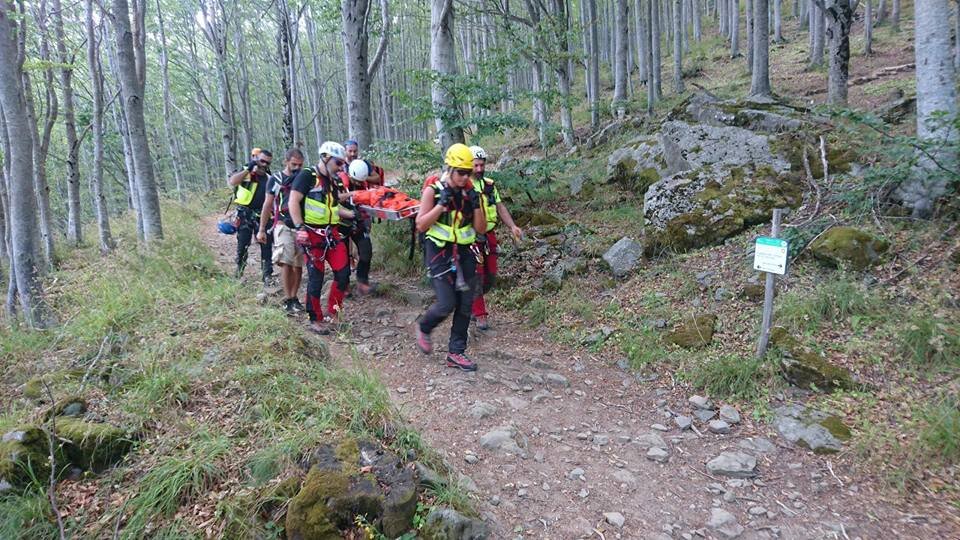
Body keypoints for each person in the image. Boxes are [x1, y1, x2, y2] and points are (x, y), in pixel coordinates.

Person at [414, 143, 487, 371]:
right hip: (439, 252)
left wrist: (476, 204)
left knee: (466, 304)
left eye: (469, 173)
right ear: (450, 169)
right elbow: (421, 225)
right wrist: (441, 206)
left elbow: (481, 229)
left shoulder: (471, 192)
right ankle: (424, 327)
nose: (465, 177)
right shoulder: (433, 191)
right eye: (461, 173)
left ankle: (456, 352)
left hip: (464, 252)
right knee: (447, 303)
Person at [287, 141, 355, 334]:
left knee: (343, 273)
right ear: (325, 158)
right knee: (316, 277)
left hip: (331, 233)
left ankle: (334, 312)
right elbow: (293, 201)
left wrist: (352, 215)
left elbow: (334, 207)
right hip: (311, 235)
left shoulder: (334, 180)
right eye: (338, 163)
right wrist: (300, 228)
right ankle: (315, 318)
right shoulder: (307, 176)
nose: (341, 167)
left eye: (342, 164)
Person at [469, 145, 523, 330]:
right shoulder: (464, 186)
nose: (479, 169)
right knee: (476, 275)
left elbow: (500, 207)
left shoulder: (490, 185)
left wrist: (512, 226)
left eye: (482, 165)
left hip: (490, 235)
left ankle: (468, 302)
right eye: (476, 165)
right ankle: (480, 314)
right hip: (471, 238)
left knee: (490, 276)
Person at [258, 148, 305, 314]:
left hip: (300, 225)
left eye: (300, 165)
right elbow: (268, 204)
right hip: (282, 223)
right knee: (285, 261)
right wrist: (262, 229)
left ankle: (295, 297)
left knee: (298, 264)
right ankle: (288, 298)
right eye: (293, 164)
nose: (297, 168)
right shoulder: (276, 179)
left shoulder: (304, 178)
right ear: (286, 161)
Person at [227, 149, 274, 283]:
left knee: (266, 245)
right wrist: (248, 169)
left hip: (263, 214)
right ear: (256, 159)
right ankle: (239, 271)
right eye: (262, 161)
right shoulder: (246, 174)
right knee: (243, 243)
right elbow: (233, 181)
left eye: (267, 162)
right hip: (244, 213)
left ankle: (267, 275)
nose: (264, 164)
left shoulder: (269, 178)